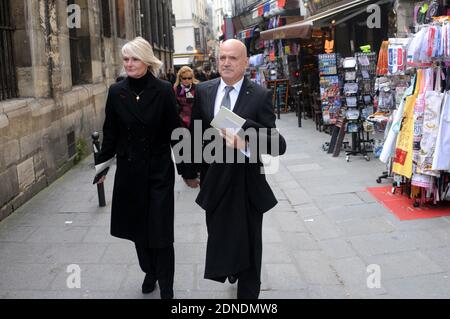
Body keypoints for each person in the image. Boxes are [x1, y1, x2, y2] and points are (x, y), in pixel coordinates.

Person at [182, 39, 287, 299]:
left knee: (251, 244)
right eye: (222, 58)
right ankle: (232, 266)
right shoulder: (204, 91)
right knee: (220, 235)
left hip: (246, 184)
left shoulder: (259, 95)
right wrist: (189, 171)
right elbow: (195, 133)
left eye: (233, 58)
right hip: (214, 182)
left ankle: (248, 295)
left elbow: (277, 144)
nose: (226, 62)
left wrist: (247, 139)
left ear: (245, 62)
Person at [95, 37, 184, 299]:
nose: (129, 64)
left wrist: (188, 169)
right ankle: (150, 271)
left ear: (146, 61)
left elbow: (176, 131)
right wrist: (101, 167)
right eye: (126, 59)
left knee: (161, 231)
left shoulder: (164, 90)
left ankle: (166, 283)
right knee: (137, 230)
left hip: (158, 172)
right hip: (129, 173)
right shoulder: (116, 91)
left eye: (134, 59)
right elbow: (110, 132)